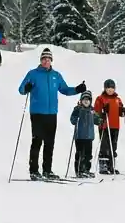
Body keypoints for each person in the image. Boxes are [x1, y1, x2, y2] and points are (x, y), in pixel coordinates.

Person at [16, 48, 85, 180]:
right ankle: (34, 171)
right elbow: (21, 90)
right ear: (41, 60)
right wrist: (27, 88)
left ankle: (47, 170)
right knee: (37, 141)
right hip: (37, 113)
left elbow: (65, 89)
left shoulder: (56, 75)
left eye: (48, 59)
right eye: (44, 59)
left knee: (50, 142)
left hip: (52, 113)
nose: (46, 61)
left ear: (51, 61)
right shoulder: (33, 74)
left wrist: (77, 89)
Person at [93, 80, 125, 174]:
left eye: (112, 88)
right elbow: (96, 111)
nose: (110, 90)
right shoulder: (100, 98)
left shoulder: (117, 99)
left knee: (113, 145)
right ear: (105, 88)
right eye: (108, 88)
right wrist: (102, 113)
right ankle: (103, 165)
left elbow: (120, 110)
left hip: (115, 126)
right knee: (105, 145)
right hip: (104, 125)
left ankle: (111, 165)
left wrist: (122, 111)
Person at [68, 92, 101, 178]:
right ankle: (79, 170)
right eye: (84, 100)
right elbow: (72, 120)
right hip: (80, 136)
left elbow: (97, 120)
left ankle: (86, 170)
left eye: (88, 100)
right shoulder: (78, 109)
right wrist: (75, 116)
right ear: (81, 100)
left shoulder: (92, 111)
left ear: (90, 101)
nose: (86, 102)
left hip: (89, 136)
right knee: (80, 154)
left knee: (88, 155)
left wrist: (101, 120)